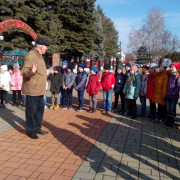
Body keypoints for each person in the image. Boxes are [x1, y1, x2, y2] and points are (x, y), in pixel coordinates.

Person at [21, 37, 50, 139]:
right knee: (31, 111)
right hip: (32, 89)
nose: (47, 49)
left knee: (39, 110)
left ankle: (37, 128)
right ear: (41, 47)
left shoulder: (40, 56)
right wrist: (32, 71)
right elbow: (24, 72)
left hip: (40, 90)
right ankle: (30, 130)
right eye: (46, 47)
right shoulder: (31, 55)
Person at [164, 62, 180, 128]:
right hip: (168, 95)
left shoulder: (178, 76)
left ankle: (171, 122)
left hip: (174, 96)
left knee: (172, 108)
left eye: (173, 67)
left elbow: (178, 86)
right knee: (168, 108)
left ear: (177, 68)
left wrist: (173, 92)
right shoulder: (170, 75)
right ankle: (168, 120)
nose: (171, 68)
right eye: (171, 67)